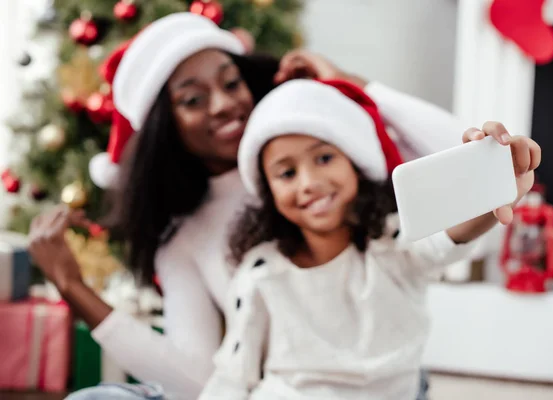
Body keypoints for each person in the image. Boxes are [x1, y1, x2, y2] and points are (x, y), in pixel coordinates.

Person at [27, 12, 482, 400]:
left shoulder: (333, 163)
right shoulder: (202, 244)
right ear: (166, 126)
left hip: (382, 380)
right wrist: (73, 286)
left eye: (231, 82)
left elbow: (477, 176)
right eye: (193, 99)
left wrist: (348, 87)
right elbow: (205, 378)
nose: (225, 104)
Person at [198, 79, 541, 399]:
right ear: (268, 191)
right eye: (287, 172)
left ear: (356, 163)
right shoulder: (261, 270)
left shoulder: (393, 241)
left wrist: (494, 188)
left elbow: (448, 239)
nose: (308, 183)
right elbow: (233, 372)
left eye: (324, 158)